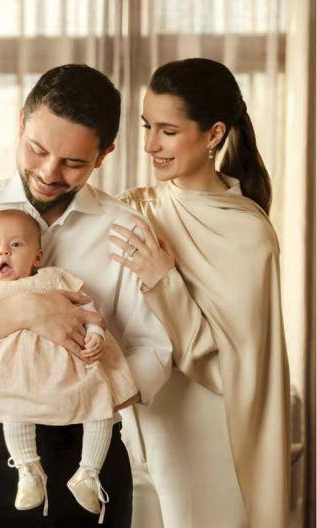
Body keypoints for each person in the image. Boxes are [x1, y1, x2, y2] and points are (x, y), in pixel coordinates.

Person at [0, 64, 173, 528]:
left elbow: (155, 348)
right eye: (37, 149)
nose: (48, 173)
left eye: (73, 163)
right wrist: (28, 308)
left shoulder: (127, 228)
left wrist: (85, 395)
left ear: (103, 155)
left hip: (88, 453)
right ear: (21, 122)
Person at [108, 58, 290, 528]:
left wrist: (163, 279)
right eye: (147, 126)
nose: (150, 145)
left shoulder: (248, 233)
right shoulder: (137, 207)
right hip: (148, 421)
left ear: (213, 134)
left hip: (212, 427)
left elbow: (232, 365)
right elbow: (45, 235)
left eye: (167, 131)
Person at [0, 208, 139, 524]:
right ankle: (28, 469)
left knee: (99, 407)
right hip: (17, 374)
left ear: (37, 256)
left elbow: (88, 311)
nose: (3, 252)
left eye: (15, 245)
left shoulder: (54, 279)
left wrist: (95, 334)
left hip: (70, 369)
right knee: (13, 407)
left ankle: (88, 473)